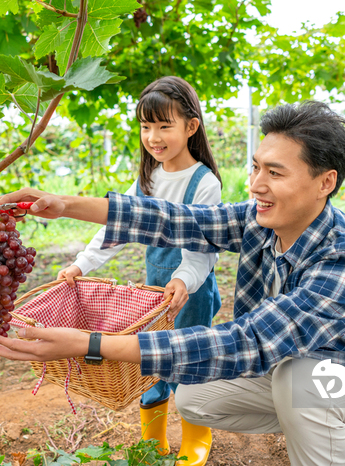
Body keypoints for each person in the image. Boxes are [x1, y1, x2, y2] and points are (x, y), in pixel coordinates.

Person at [0, 101, 345, 466]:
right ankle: (321, 422)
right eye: (256, 168)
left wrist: (91, 343)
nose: (256, 185)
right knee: (196, 396)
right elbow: (173, 219)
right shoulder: (260, 222)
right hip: (303, 376)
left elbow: (248, 343)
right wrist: (63, 204)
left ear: (325, 182)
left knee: (298, 379)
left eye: (275, 173)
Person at [56, 76, 223, 465]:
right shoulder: (147, 180)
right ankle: (154, 439)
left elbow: (202, 249)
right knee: (150, 363)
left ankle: (197, 437)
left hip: (191, 293)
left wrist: (183, 279)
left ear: (190, 127)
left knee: (188, 361)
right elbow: (116, 227)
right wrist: (82, 263)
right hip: (153, 294)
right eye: (146, 127)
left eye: (165, 126)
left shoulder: (204, 183)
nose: (154, 136)